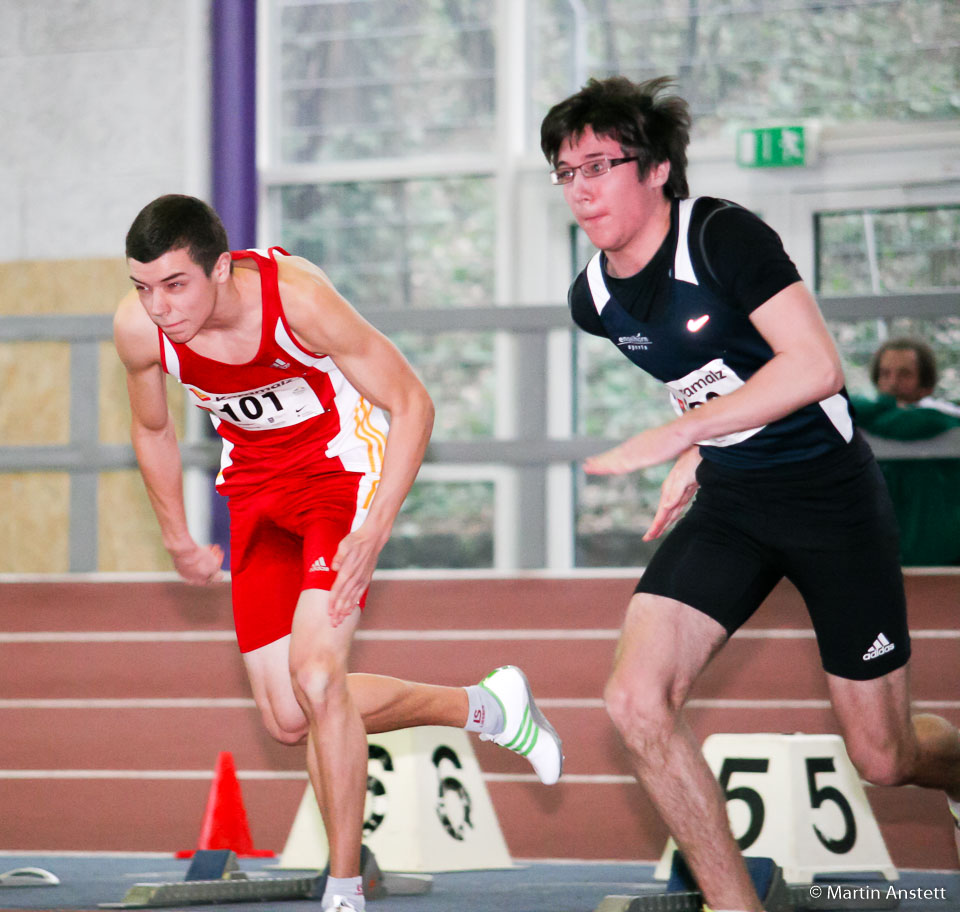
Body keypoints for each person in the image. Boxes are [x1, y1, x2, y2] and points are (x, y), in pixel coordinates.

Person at [540, 77, 960, 911]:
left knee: (885, 759)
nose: (581, 188)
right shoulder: (593, 299)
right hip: (734, 503)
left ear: (656, 168)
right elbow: (704, 371)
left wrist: (680, 436)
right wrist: (698, 450)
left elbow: (813, 367)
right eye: (565, 171)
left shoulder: (724, 236)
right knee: (635, 699)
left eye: (598, 165)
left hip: (831, 501)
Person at [114, 194, 563, 912]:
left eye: (175, 285)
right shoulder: (140, 330)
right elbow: (153, 430)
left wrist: (374, 525)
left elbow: (412, 402)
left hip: (337, 477)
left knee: (319, 679)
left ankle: (344, 886)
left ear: (221, 269)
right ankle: (487, 708)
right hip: (255, 493)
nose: (159, 307)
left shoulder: (300, 303)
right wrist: (176, 535)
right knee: (290, 719)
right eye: (143, 287)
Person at [850, 338, 960, 565]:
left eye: (904, 374)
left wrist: (882, 406)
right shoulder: (873, 419)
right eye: (885, 373)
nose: (892, 383)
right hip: (884, 551)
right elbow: (851, 406)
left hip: (937, 553)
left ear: (925, 385)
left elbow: (909, 424)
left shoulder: (942, 418)